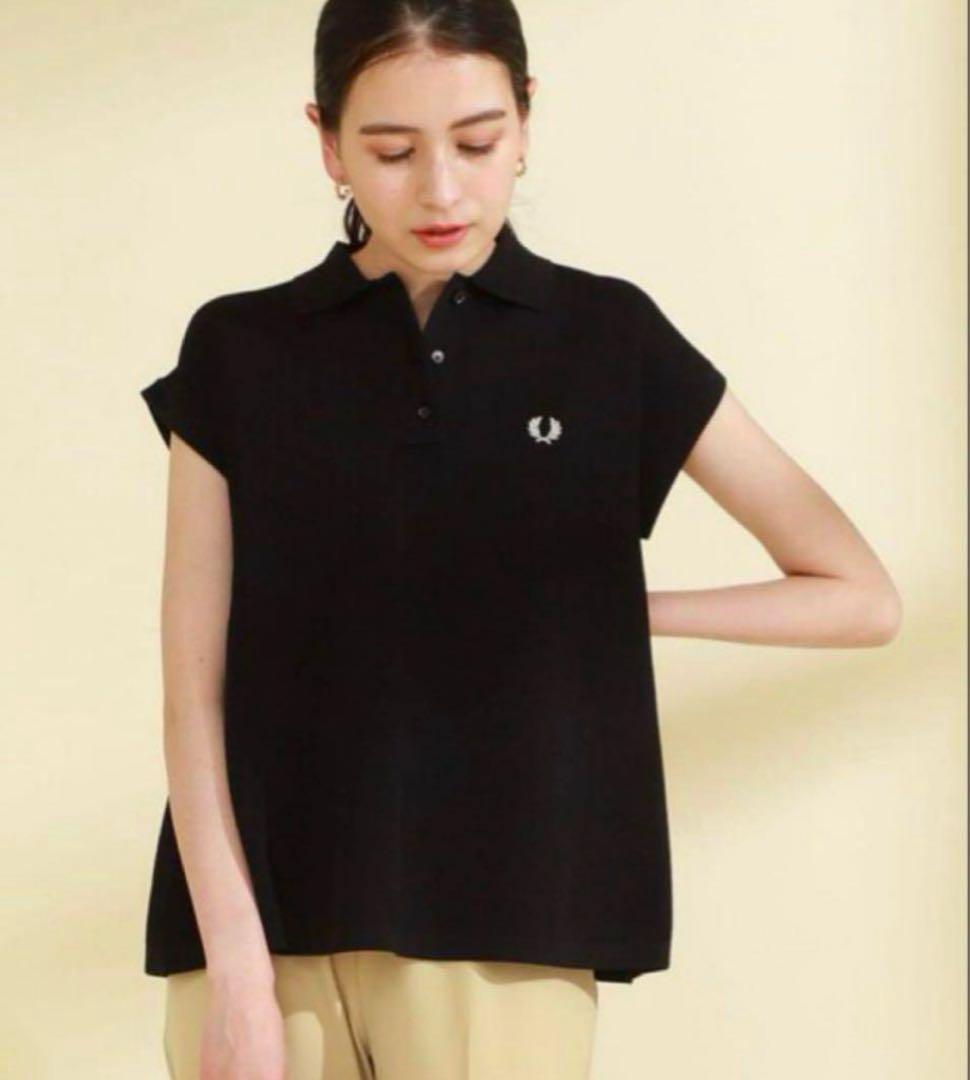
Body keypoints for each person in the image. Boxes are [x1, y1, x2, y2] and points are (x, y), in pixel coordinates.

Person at [139, 1, 904, 1078]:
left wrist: (614, 608)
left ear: (527, 120)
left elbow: (860, 596)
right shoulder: (240, 349)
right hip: (261, 936)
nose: (441, 190)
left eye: (477, 141)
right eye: (392, 151)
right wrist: (236, 975)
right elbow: (192, 689)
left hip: (511, 931)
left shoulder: (606, 337)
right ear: (327, 143)